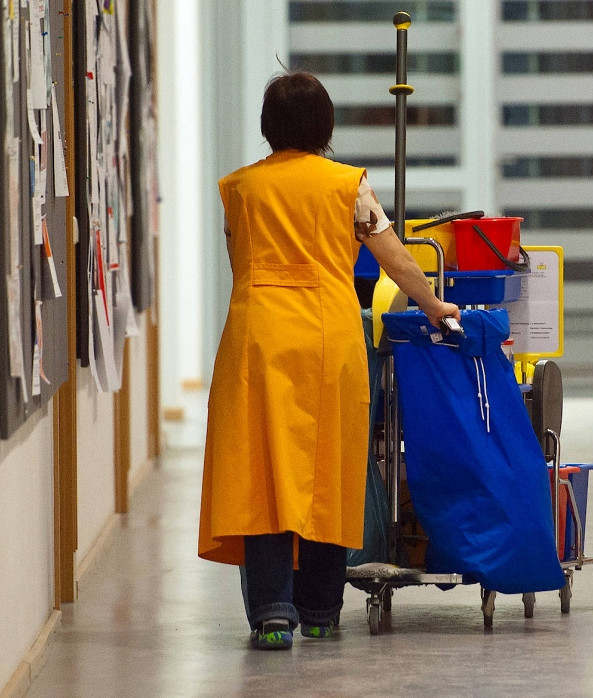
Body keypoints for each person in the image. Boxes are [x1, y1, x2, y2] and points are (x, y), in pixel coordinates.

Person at [197, 71, 460, 650]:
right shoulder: (348, 186)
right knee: (327, 468)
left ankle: (270, 613)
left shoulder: (239, 189)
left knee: (261, 472)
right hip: (328, 334)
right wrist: (436, 305)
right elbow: (394, 257)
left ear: (268, 127)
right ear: (326, 127)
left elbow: (240, 260)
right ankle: (319, 609)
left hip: (258, 335)